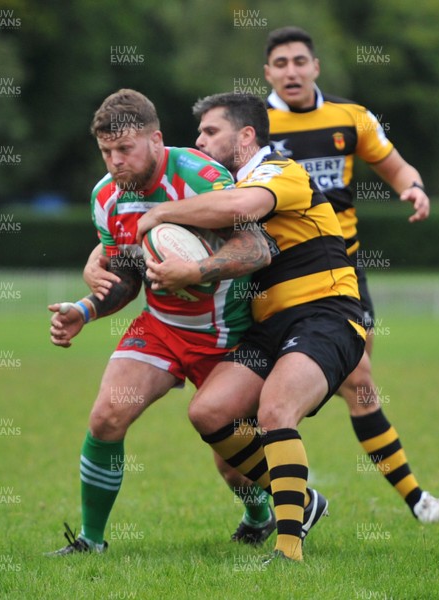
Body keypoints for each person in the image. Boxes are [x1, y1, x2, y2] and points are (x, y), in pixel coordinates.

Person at [135, 92, 367, 562]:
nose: (198, 140)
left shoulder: (279, 170)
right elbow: (127, 228)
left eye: (210, 131)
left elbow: (238, 209)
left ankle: (288, 551)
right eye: (198, 133)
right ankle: (301, 500)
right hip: (268, 327)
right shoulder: (215, 188)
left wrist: (158, 215)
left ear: (245, 136)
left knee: (275, 411)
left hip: (326, 313)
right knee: (209, 412)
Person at [46, 88, 274, 555]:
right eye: (106, 152)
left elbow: (257, 248)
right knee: (107, 417)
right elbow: (127, 278)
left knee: (232, 465)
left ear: (156, 141)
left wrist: (196, 270)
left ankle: (259, 514)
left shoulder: (203, 176)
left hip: (227, 336)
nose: (115, 162)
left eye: (124, 150)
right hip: (162, 328)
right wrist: (84, 310)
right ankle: (91, 540)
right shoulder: (106, 197)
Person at [257, 26, 439, 524]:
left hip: (343, 277)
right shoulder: (251, 127)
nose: (291, 71)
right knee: (241, 410)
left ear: (316, 66)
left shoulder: (351, 118)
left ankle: (414, 501)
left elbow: (395, 167)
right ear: (267, 73)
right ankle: (272, 505)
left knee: (358, 380)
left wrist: (413, 188)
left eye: (299, 61)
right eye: (280, 63)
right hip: (270, 282)